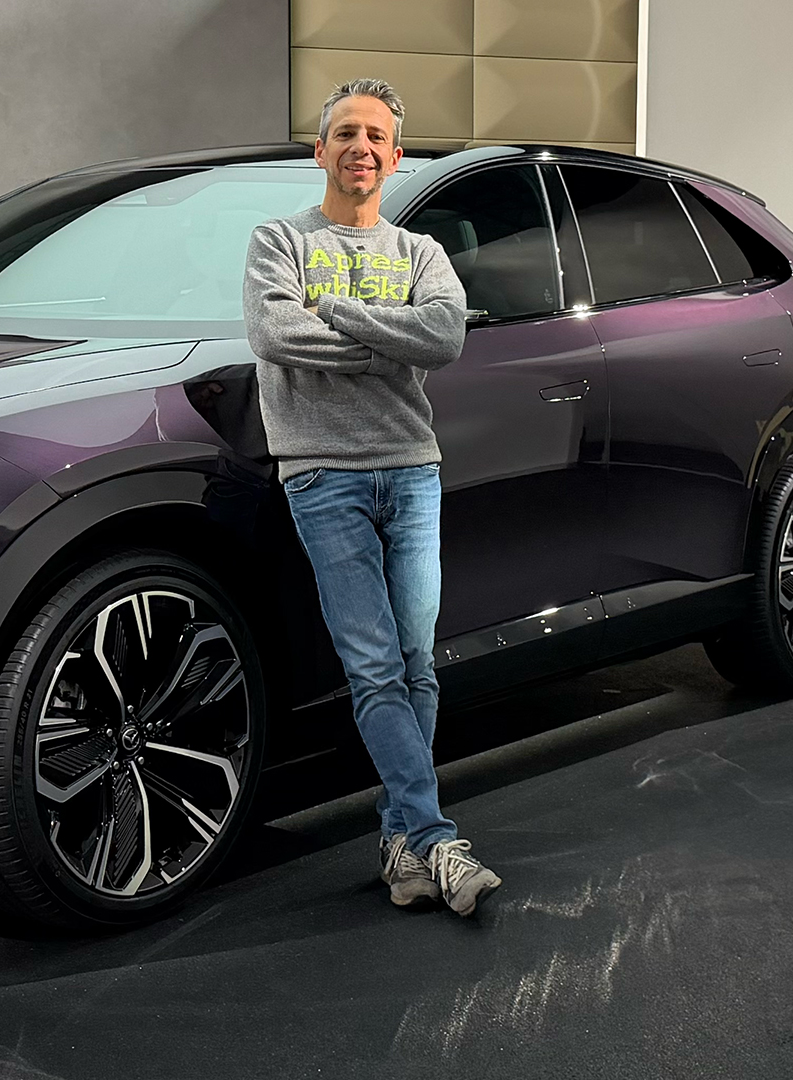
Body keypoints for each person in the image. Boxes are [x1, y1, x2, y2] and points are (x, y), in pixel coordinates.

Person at [241, 78, 501, 917]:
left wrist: (339, 311)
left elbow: (445, 336)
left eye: (375, 136)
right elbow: (276, 333)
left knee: (418, 663)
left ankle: (402, 841)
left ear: (395, 157)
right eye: (345, 132)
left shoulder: (421, 252)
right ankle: (436, 838)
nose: (360, 146)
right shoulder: (278, 241)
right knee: (375, 666)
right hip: (321, 475)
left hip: (413, 470)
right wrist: (393, 342)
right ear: (320, 150)